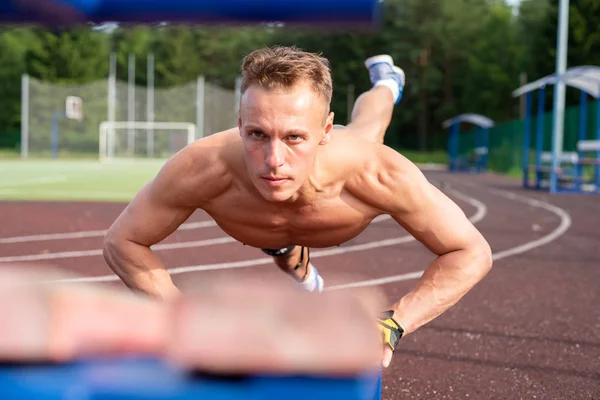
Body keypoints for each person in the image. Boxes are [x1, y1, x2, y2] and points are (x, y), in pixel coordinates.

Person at [103, 46, 493, 368]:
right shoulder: (200, 168)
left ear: (325, 132)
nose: (274, 160)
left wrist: (393, 323)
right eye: (257, 134)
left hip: (336, 175)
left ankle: (389, 83)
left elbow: (471, 252)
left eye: (294, 137)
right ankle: (299, 267)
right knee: (285, 252)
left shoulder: (377, 172)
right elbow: (122, 242)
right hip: (271, 229)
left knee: (369, 126)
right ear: (239, 125)